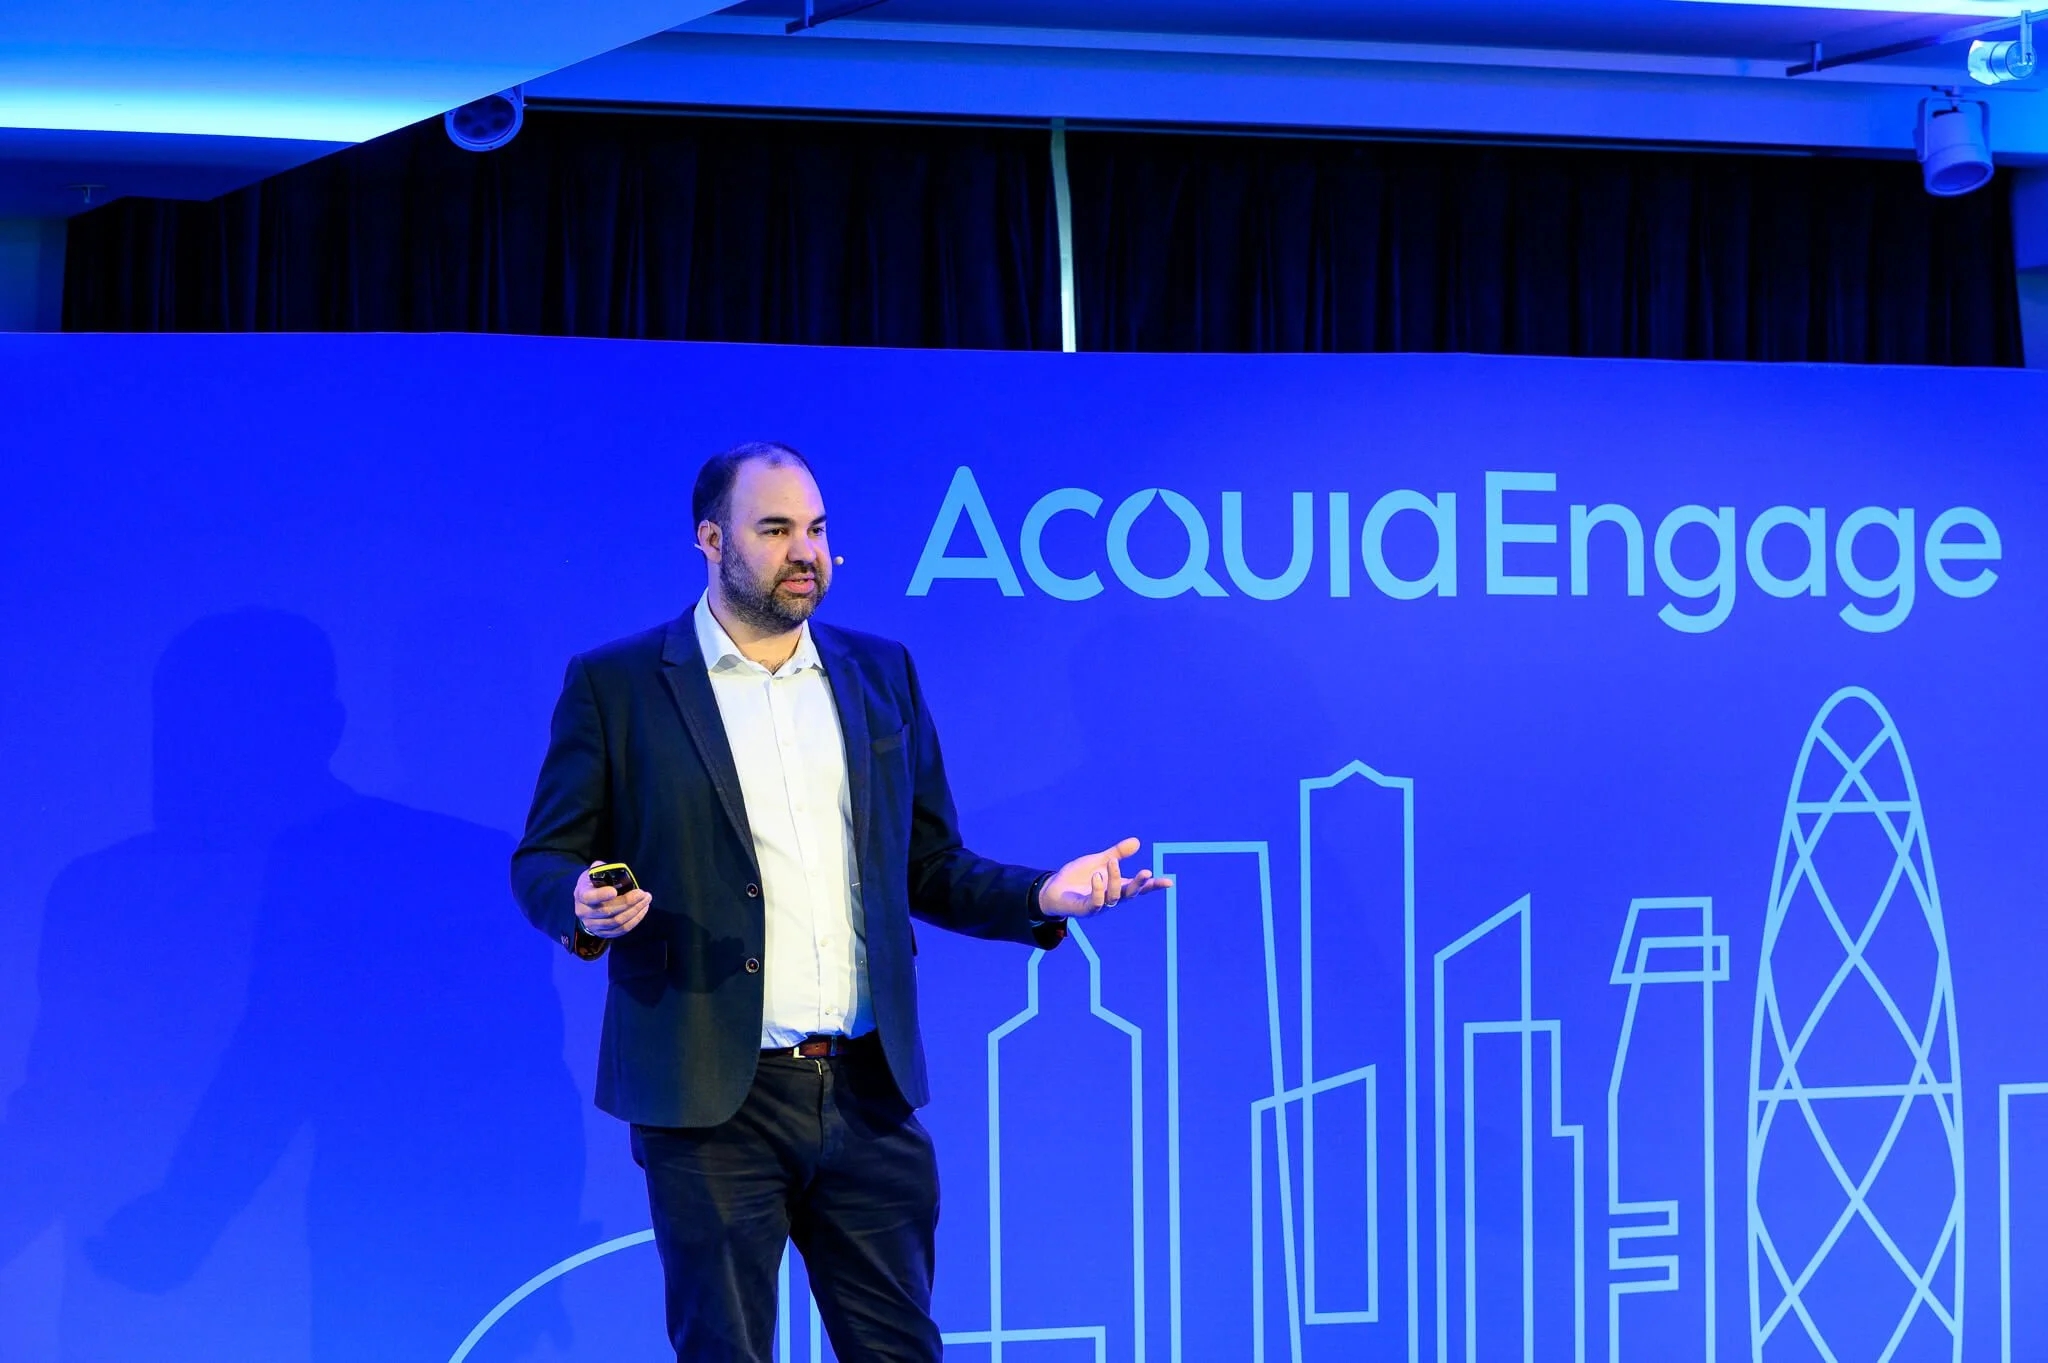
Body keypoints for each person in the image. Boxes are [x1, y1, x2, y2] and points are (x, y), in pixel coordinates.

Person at [510, 440, 1169, 1362]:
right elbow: (544, 856)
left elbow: (930, 863)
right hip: (708, 1094)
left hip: (867, 1087)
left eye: (816, 529)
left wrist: (1041, 893)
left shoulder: (880, 673)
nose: (805, 550)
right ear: (711, 539)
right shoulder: (619, 685)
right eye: (775, 528)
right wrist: (581, 907)